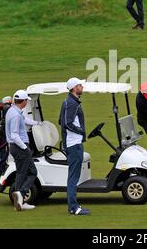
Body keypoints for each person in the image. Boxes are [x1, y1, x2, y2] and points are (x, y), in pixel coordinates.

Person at [5, 90, 41, 211]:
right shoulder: (15, 115)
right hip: (20, 147)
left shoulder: (13, 110)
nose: (27, 103)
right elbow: (14, 135)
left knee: (22, 173)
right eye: (27, 101)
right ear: (24, 101)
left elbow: (24, 119)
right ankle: (21, 193)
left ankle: (19, 200)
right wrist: (25, 148)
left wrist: (37, 123)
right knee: (31, 172)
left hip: (16, 148)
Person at [59, 77, 90, 216]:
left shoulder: (69, 102)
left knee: (73, 176)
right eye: (79, 85)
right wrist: (81, 131)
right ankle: (73, 207)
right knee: (73, 177)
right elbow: (67, 123)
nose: (82, 87)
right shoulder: (72, 103)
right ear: (73, 88)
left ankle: (73, 205)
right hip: (74, 145)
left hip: (73, 143)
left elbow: (61, 120)